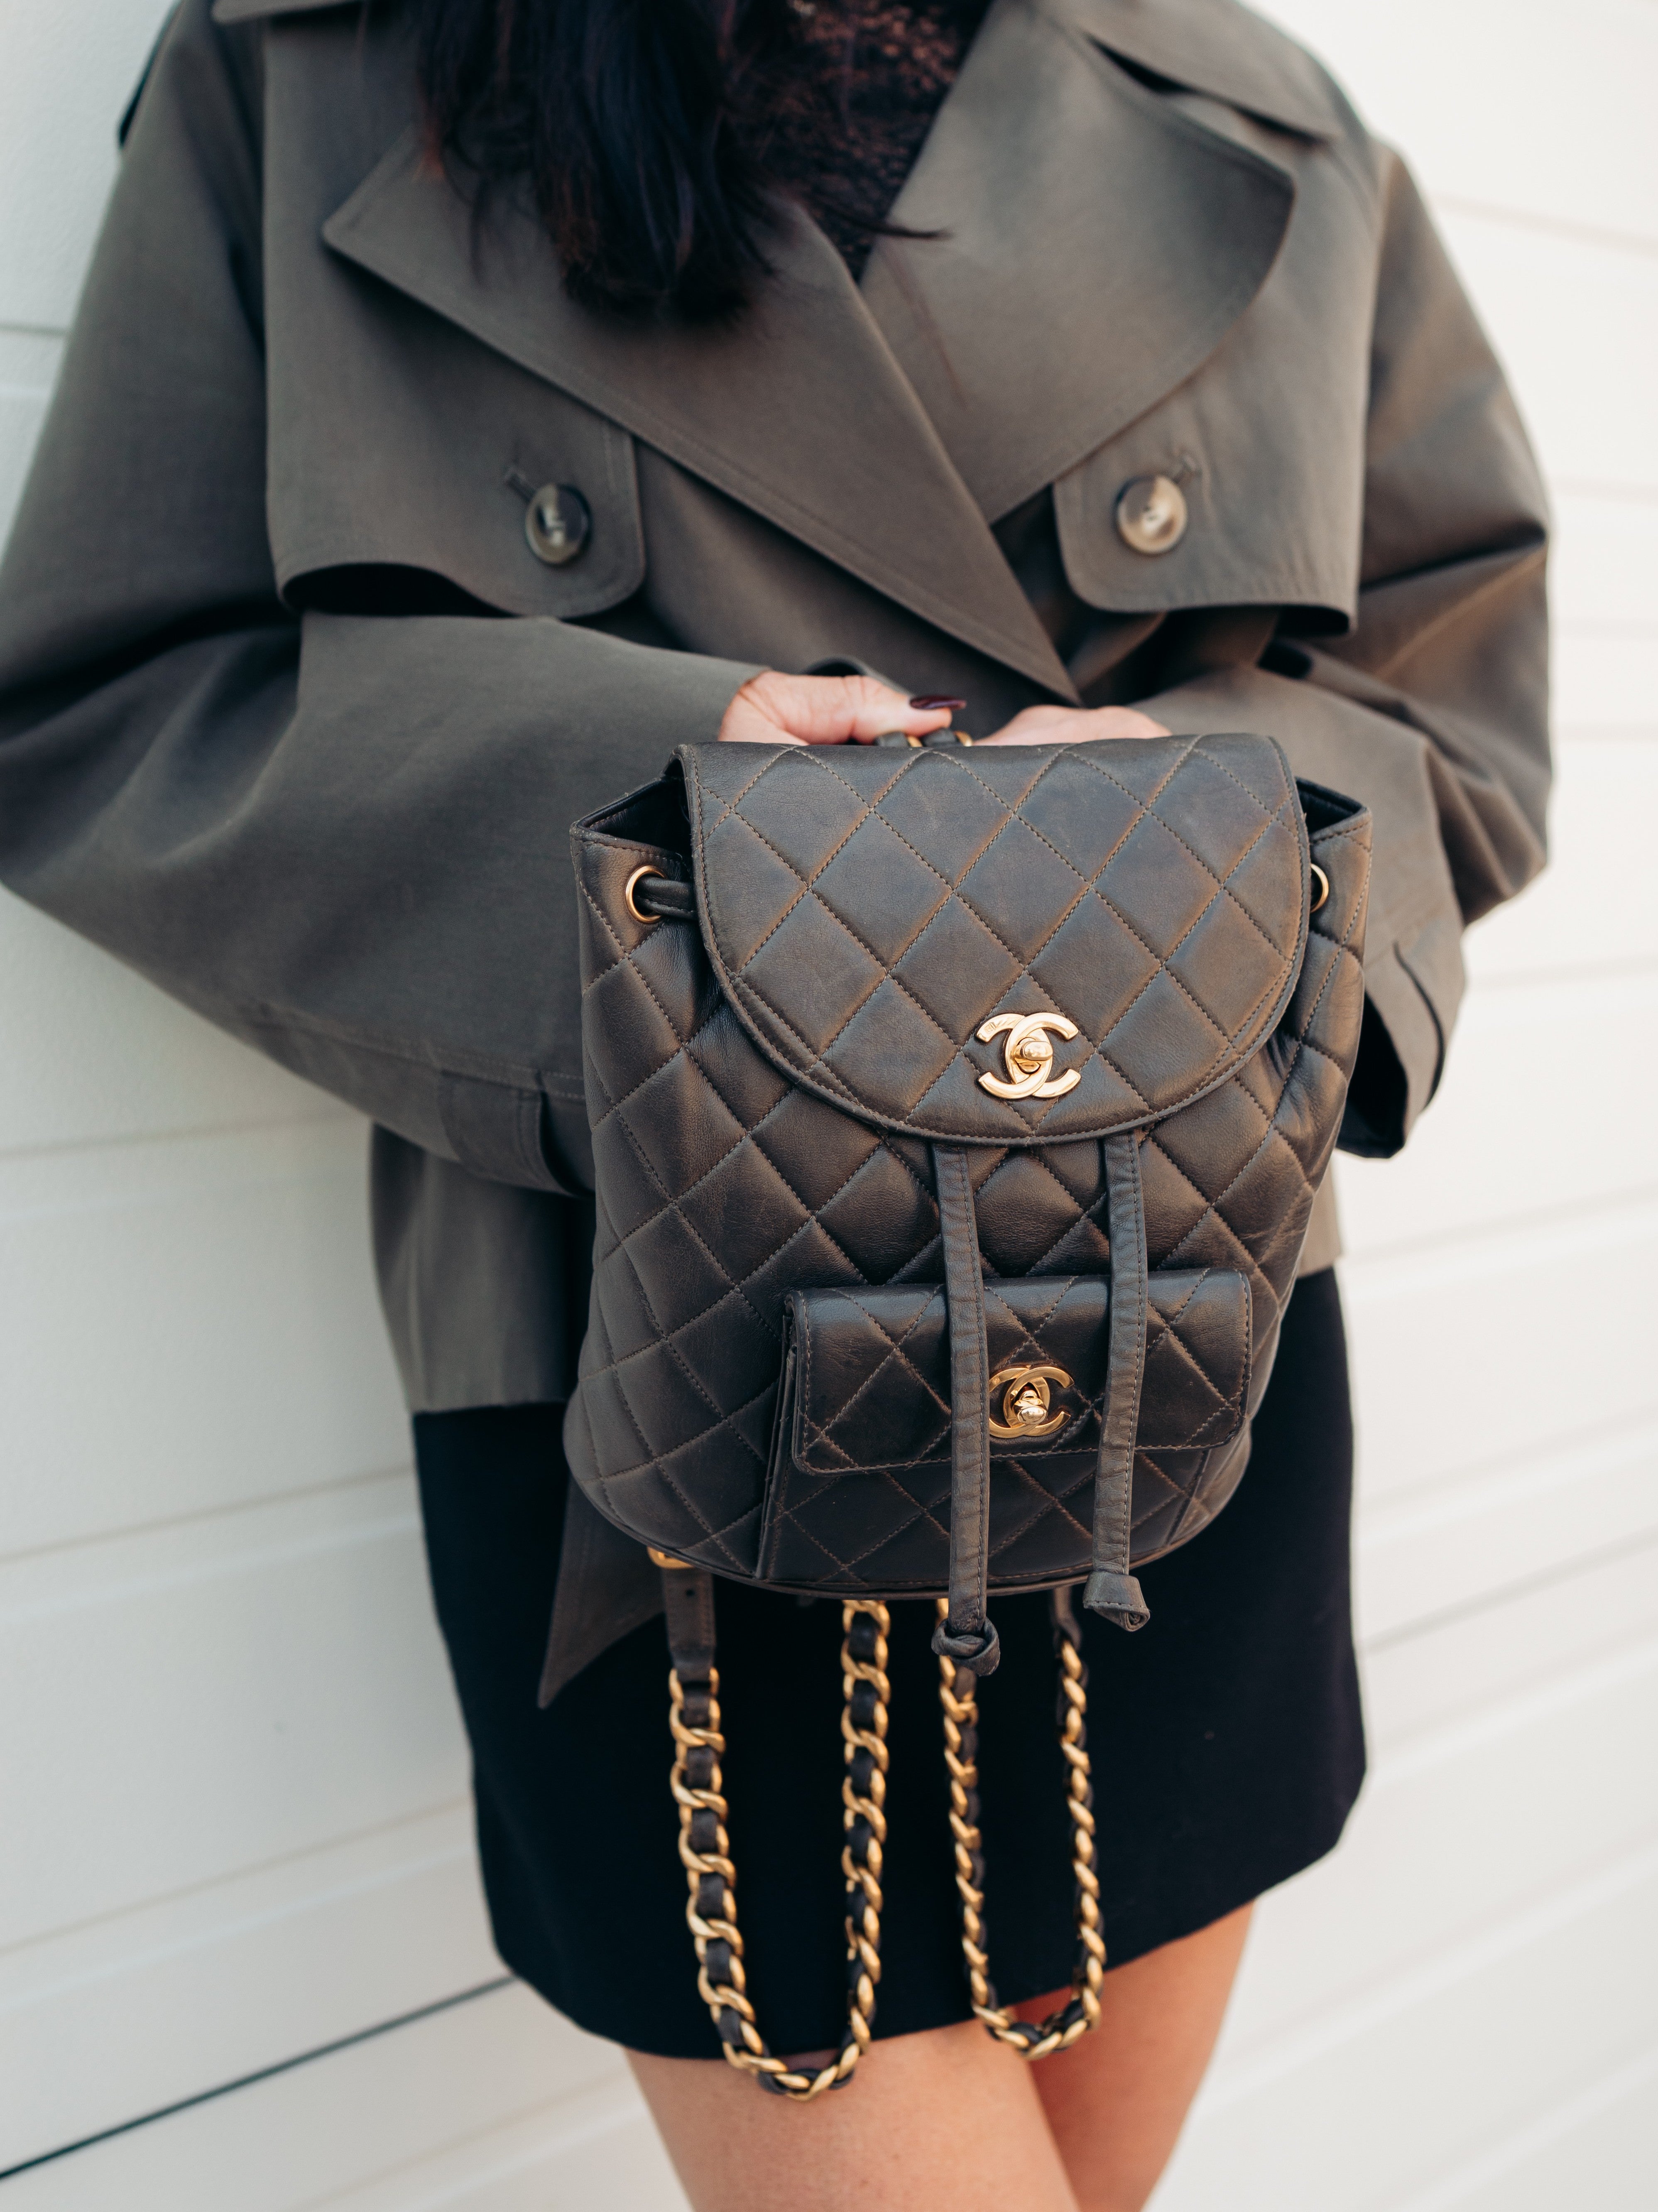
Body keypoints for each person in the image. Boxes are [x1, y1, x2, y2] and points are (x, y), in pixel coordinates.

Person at [0, 0, 1549, 2205]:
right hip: (647, 1397)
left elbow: (1449, 681)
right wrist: (686, 817)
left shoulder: (1255, 112)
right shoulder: (325, 64)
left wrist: (1220, 817)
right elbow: (109, 696)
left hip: (1174, 1364)